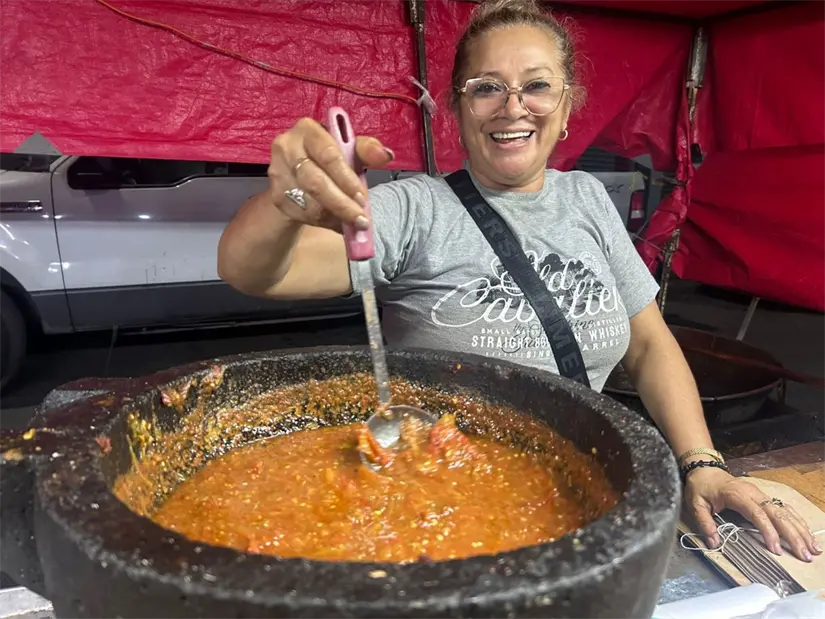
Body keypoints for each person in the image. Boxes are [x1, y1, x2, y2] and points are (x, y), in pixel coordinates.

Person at [217, 0, 821, 562]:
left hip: (585, 489)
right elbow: (258, 273)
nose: (513, 106)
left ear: (566, 106)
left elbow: (648, 343)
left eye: (536, 85)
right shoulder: (415, 209)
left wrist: (701, 463)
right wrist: (286, 202)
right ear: (457, 109)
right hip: (439, 505)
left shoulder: (586, 197)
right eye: (486, 88)